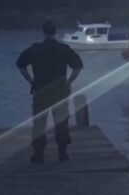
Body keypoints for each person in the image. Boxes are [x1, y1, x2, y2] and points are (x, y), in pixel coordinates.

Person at [17, 20, 83, 163]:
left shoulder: (35, 49)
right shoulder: (64, 49)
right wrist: (69, 81)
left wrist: (30, 80)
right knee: (61, 122)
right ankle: (62, 154)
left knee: (39, 123)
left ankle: (39, 155)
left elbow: (21, 65)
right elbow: (78, 67)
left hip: (40, 91)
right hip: (60, 91)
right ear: (55, 33)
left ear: (43, 33)